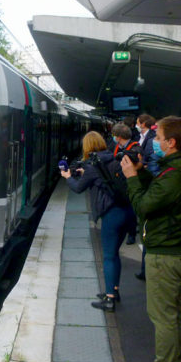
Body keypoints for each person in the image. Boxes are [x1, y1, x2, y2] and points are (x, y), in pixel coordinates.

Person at [122, 116, 181, 362]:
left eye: (159, 139)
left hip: (164, 253)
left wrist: (131, 179)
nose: (155, 143)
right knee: (180, 311)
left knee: (163, 316)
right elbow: (161, 194)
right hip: (178, 250)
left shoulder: (174, 175)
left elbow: (145, 206)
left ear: (171, 142)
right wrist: (143, 172)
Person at [61, 131, 136, 312]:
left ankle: (109, 299)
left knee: (108, 256)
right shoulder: (113, 158)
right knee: (114, 253)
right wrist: (85, 173)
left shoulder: (92, 165)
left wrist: (68, 177)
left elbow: (78, 188)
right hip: (127, 211)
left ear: (87, 147)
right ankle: (114, 290)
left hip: (111, 214)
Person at [134, 113, 158, 281]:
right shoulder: (142, 138)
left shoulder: (150, 140)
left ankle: (146, 271)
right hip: (147, 185)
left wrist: (140, 167)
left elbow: (151, 162)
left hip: (148, 188)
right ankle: (144, 270)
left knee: (148, 233)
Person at [112, 123, 141, 245]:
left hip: (129, 183)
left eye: (114, 135)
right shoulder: (117, 147)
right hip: (119, 183)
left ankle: (131, 234)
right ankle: (123, 229)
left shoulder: (135, 148)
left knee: (130, 211)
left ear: (118, 137)